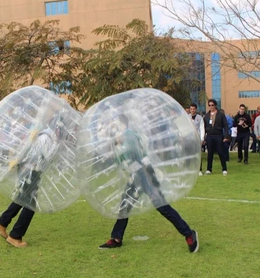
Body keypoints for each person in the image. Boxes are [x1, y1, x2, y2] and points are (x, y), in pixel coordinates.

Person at [98, 114, 199, 253]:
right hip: (136, 176)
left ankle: (188, 234)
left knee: (162, 206)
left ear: (122, 125)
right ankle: (116, 238)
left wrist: (119, 144)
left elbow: (137, 157)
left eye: (115, 126)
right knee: (125, 206)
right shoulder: (123, 140)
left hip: (145, 175)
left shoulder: (129, 136)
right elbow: (123, 159)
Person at [0, 116, 64, 248]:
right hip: (31, 171)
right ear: (57, 127)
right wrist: (57, 147)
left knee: (22, 198)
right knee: (30, 205)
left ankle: (2, 222)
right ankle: (15, 236)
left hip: (30, 170)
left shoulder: (46, 136)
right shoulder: (47, 137)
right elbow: (46, 156)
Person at [203, 99, 230, 175]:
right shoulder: (207, 115)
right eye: (209, 105)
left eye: (212, 105)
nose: (211, 107)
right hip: (209, 136)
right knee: (210, 153)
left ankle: (224, 169)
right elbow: (204, 127)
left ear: (215, 105)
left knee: (221, 152)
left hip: (218, 135)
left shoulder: (220, 114)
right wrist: (204, 137)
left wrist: (226, 136)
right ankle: (209, 169)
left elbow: (225, 125)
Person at [189, 103, 204, 176]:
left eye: (194, 109)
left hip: (197, 138)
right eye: (191, 109)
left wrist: (202, 139)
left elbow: (202, 128)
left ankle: (199, 169)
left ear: (196, 109)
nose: (192, 110)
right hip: (189, 139)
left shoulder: (199, 118)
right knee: (189, 154)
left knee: (198, 154)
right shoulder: (187, 116)